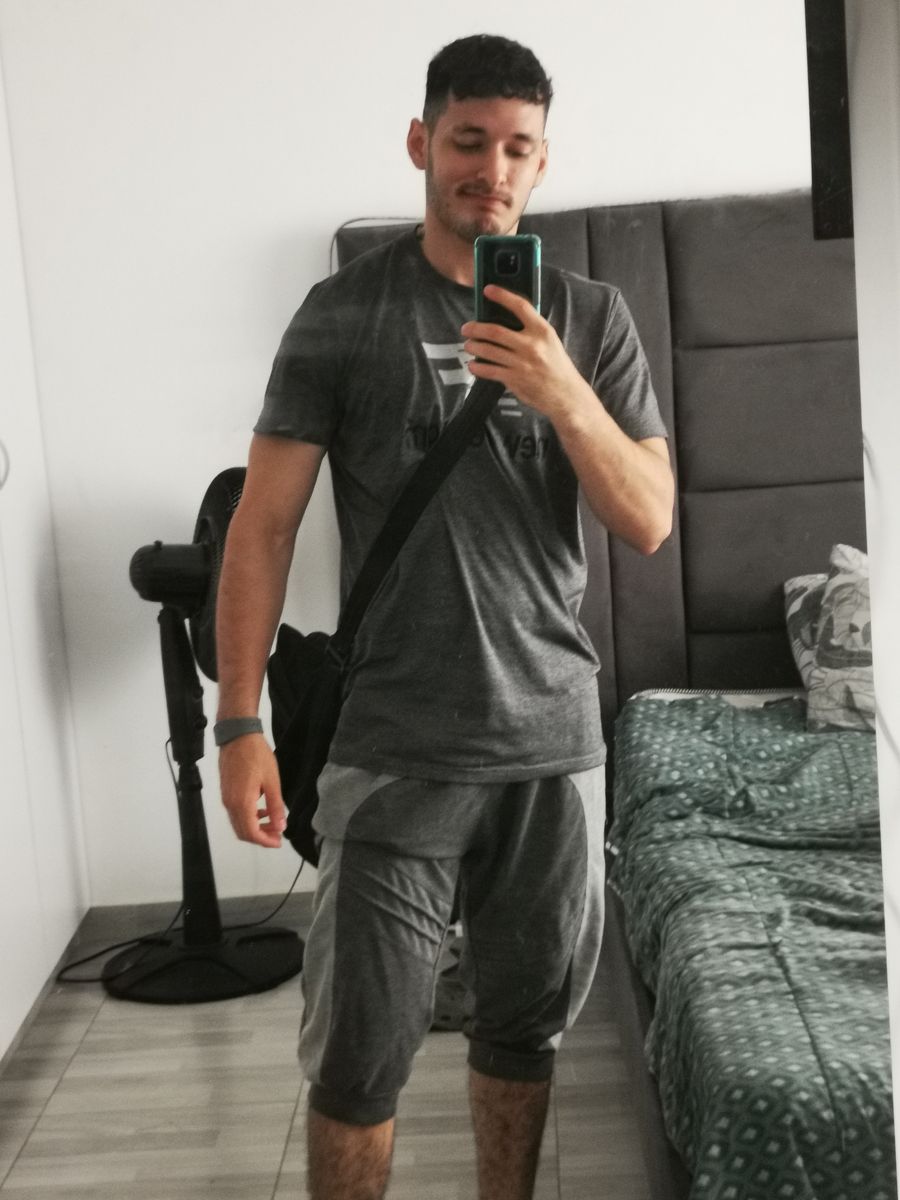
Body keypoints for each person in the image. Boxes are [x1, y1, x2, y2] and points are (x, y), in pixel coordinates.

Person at [215, 33, 674, 1200]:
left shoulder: (592, 317)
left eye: (518, 147)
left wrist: (563, 392)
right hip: (394, 744)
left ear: (542, 161)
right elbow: (263, 528)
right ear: (422, 143)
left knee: (524, 1036)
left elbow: (649, 518)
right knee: (356, 1063)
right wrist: (239, 721)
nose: (492, 169)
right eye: (469, 140)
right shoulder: (342, 314)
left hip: (549, 746)